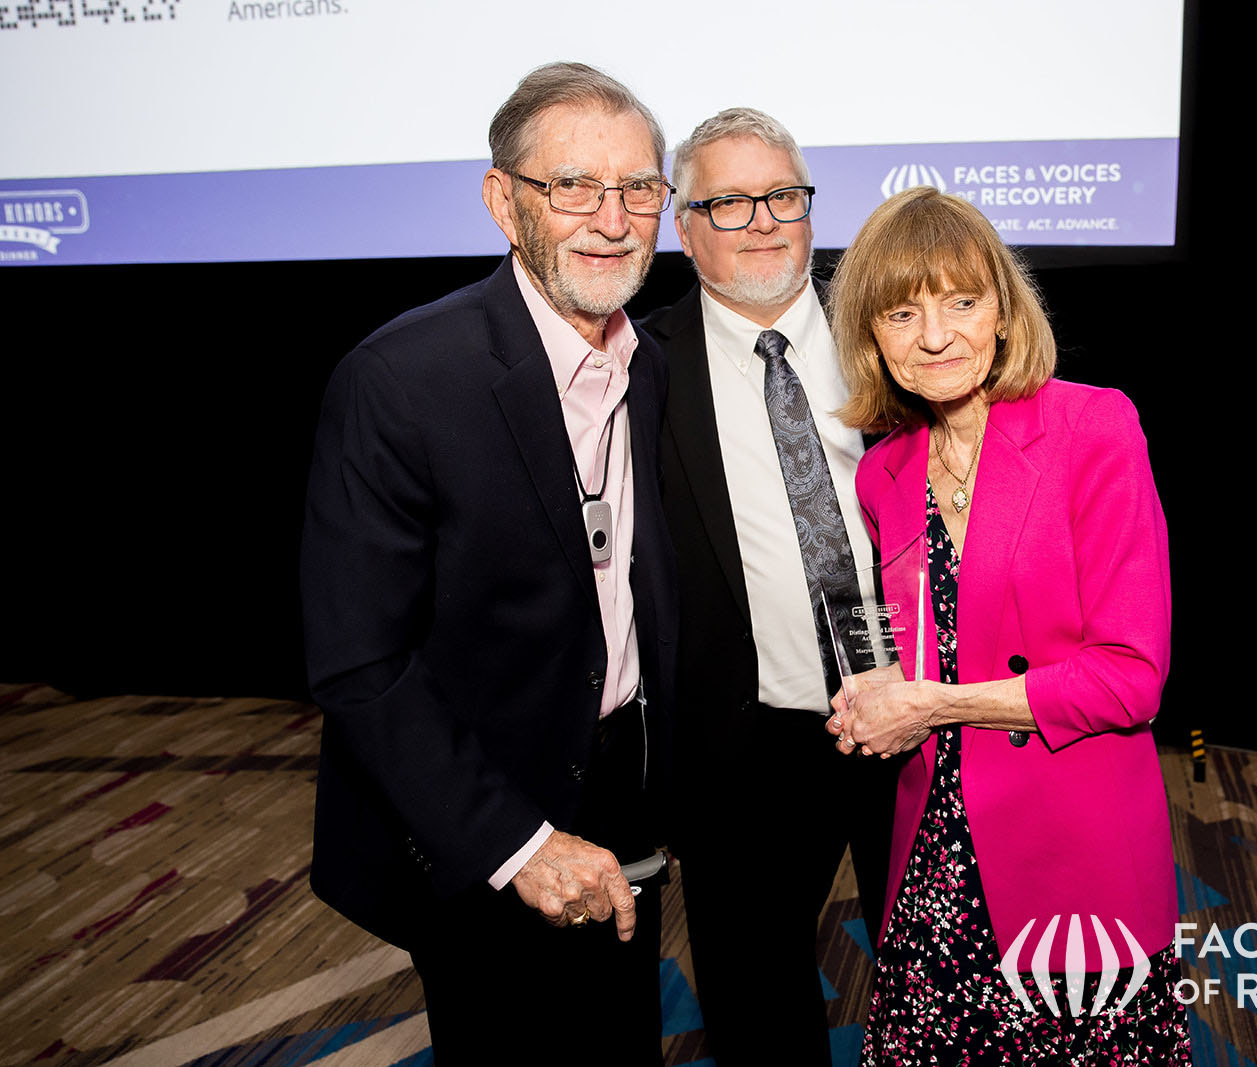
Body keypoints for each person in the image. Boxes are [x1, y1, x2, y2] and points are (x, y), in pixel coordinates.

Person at [300, 62, 677, 1064]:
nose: (612, 219)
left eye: (638, 187)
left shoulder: (653, 367)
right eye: (573, 186)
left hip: (622, 792)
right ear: (503, 202)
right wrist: (518, 844)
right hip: (478, 813)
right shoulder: (401, 380)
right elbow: (358, 661)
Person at [825, 187, 1189, 1065]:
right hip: (936, 860)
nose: (936, 336)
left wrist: (932, 703)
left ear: (1002, 310)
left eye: (962, 301)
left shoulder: (1092, 427)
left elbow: (1130, 678)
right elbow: (923, 638)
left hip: (1073, 852)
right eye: (902, 313)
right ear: (871, 335)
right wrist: (877, 690)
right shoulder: (885, 472)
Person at [639, 108, 895, 1067]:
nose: (762, 221)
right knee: (757, 1002)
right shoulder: (639, 368)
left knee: (941, 972)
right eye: (729, 202)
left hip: (915, 714)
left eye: (782, 195)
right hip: (744, 744)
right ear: (684, 225)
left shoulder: (891, 337)